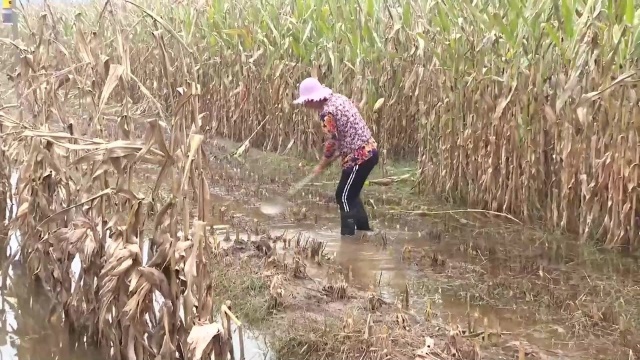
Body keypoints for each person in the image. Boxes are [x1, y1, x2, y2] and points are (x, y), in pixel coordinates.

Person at [293, 77, 379, 236]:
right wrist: (339, 150)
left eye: (305, 102)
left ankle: (348, 239)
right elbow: (345, 132)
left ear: (312, 99)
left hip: (360, 157)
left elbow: (332, 141)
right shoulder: (339, 98)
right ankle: (364, 232)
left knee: (343, 196)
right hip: (369, 150)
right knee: (350, 194)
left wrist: (322, 164)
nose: (305, 105)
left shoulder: (327, 113)